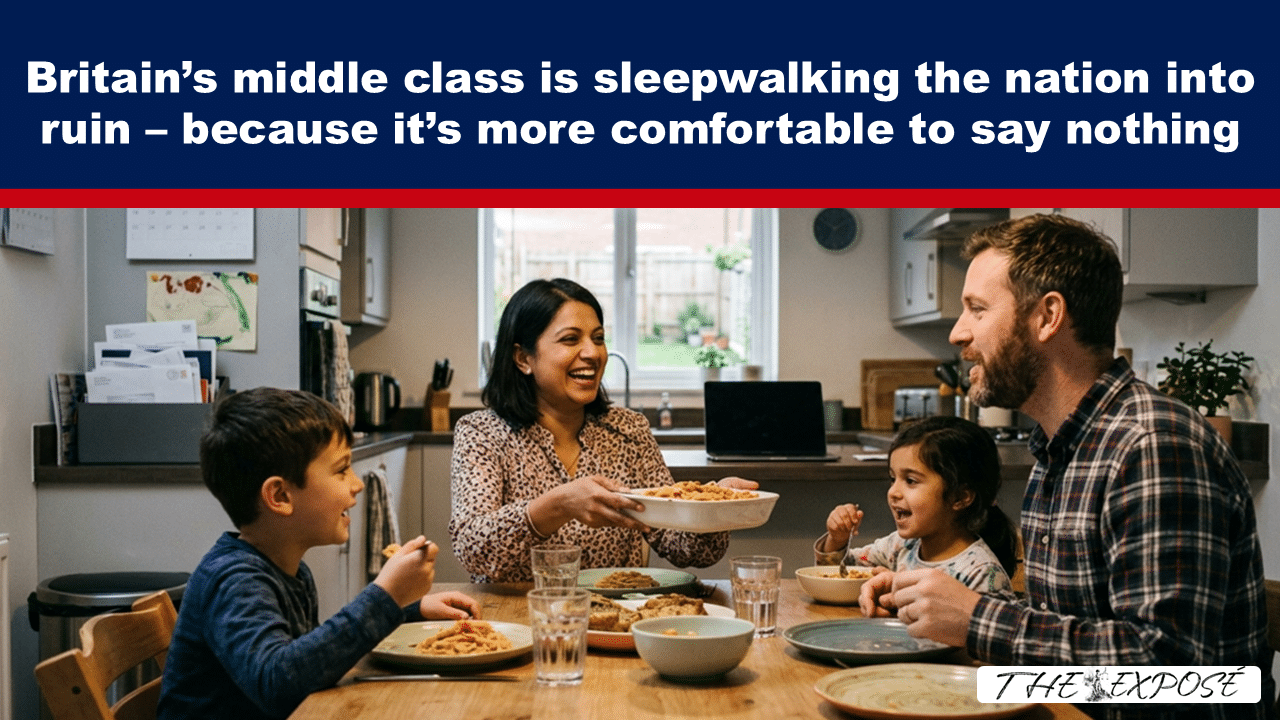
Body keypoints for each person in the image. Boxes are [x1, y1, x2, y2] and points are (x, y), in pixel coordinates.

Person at [859, 214, 1274, 719]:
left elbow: (1172, 675)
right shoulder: (1058, 452)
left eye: (977, 309)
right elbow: (1068, 647)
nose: (957, 333)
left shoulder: (1153, 445)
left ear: (1047, 316)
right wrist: (931, 603)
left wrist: (978, 620)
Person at [159, 388, 480, 720]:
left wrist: (405, 608)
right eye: (341, 470)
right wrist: (386, 595)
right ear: (280, 495)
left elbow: (312, 654)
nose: (357, 483)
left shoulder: (287, 569)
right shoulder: (234, 579)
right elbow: (280, 684)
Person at [450, 278, 757, 581]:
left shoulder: (629, 431)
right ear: (523, 358)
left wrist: (715, 507)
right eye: (571, 339)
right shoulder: (482, 434)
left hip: (615, 619)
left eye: (598, 338)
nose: (593, 353)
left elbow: (686, 549)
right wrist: (558, 505)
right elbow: (473, 550)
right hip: (516, 619)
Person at [815, 415, 1017, 599]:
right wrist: (837, 539)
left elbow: (991, 635)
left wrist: (900, 592)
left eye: (910, 481)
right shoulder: (898, 547)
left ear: (960, 497)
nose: (894, 491)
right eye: (893, 479)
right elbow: (844, 570)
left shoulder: (982, 574)